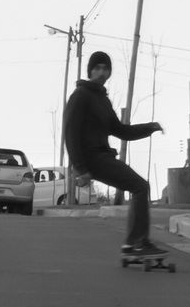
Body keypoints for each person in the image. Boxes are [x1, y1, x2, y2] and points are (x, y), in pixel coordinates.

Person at [63, 51, 163, 255]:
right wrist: (80, 168)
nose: (101, 72)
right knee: (140, 187)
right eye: (97, 68)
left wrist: (149, 128)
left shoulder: (103, 100)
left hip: (103, 157)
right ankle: (136, 242)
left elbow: (120, 130)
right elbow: (70, 133)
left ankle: (134, 242)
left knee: (140, 187)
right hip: (92, 159)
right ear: (90, 71)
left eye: (105, 68)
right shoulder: (80, 96)